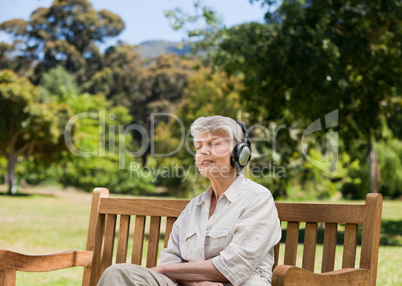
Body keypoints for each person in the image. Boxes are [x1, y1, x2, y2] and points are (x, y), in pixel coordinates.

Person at [97, 115, 282, 286]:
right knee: (117, 273)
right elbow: (171, 262)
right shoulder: (194, 207)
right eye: (199, 146)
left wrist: (163, 269)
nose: (203, 152)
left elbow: (234, 266)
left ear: (240, 153)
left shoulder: (258, 199)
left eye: (214, 143)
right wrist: (193, 283)